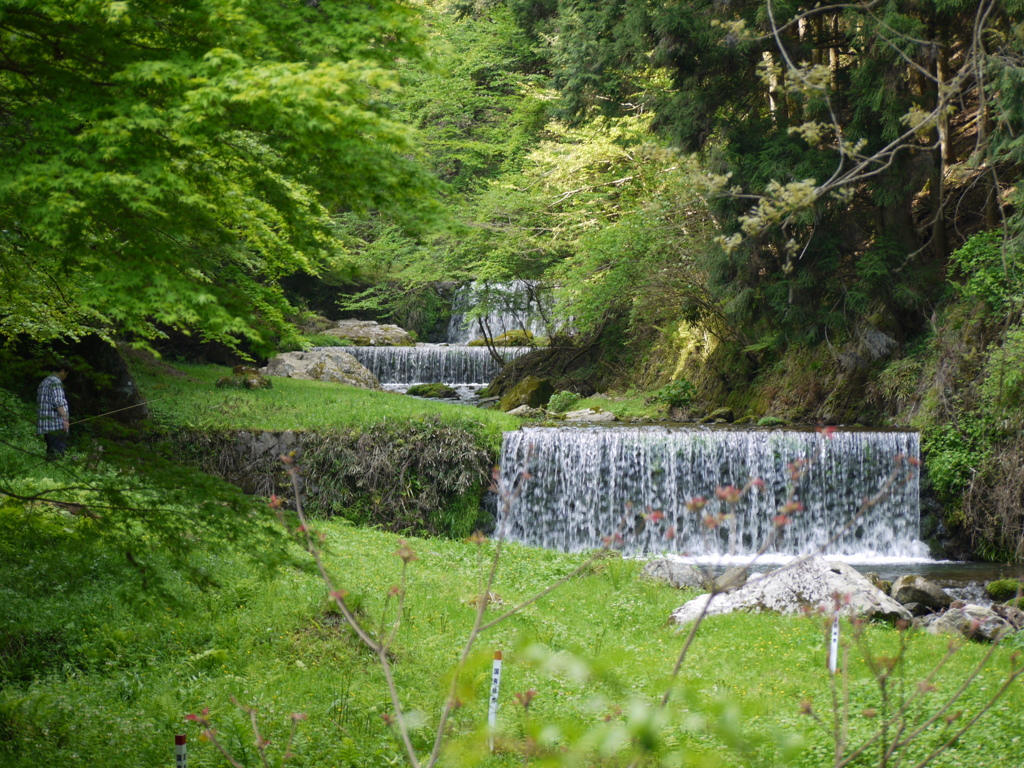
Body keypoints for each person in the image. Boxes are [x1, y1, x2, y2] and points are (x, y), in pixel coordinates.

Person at [37, 360, 71, 458]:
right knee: (57, 456)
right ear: (62, 371)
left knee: (51, 453)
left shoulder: (45, 381)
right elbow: (58, 403)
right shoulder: (55, 382)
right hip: (55, 425)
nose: (66, 377)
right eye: (66, 374)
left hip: (46, 425)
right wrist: (65, 420)